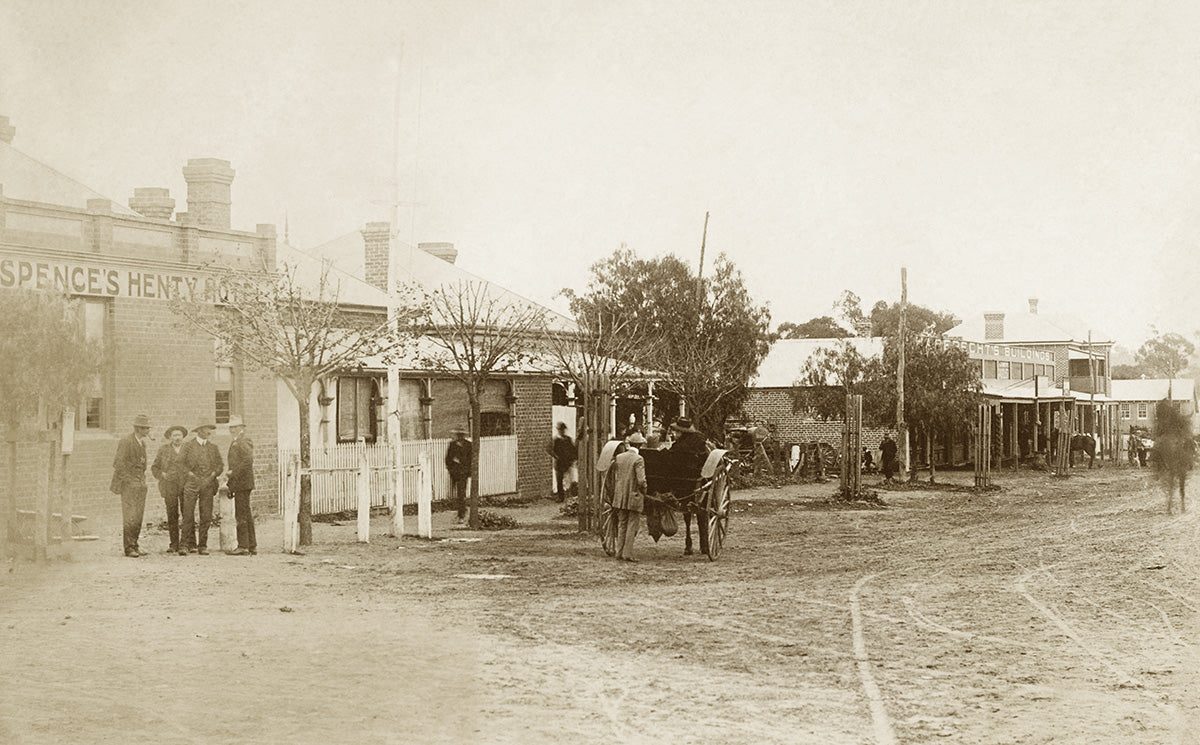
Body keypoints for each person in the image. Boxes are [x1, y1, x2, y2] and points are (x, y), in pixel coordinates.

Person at [111, 414, 152, 557]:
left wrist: (141, 480)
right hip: (129, 485)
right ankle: (129, 547)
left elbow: (142, 465)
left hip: (140, 484)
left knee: (138, 515)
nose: (148, 430)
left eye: (148, 427)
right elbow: (118, 463)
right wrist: (129, 480)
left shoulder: (142, 443)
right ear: (138, 428)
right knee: (129, 516)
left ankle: (135, 544)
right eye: (146, 428)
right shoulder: (126, 442)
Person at [180, 422, 223, 555]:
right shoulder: (188, 446)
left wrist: (213, 475)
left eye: (209, 430)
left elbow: (220, 465)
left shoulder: (213, 447)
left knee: (206, 515)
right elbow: (180, 464)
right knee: (188, 514)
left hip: (208, 484)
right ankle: (184, 545)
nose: (208, 432)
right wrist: (190, 474)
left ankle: (202, 545)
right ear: (198, 431)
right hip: (191, 484)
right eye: (205, 430)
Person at [150, 424, 188, 554]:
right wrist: (163, 475)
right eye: (174, 435)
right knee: (172, 515)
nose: (177, 438)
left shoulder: (188, 449)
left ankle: (187, 544)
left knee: (187, 514)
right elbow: (154, 468)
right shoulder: (163, 450)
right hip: (169, 486)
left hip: (185, 485)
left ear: (183, 437)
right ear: (170, 437)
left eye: (179, 435)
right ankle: (174, 544)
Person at [612, 431, 648, 562]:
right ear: (639, 446)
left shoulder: (620, 457)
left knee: (622, 524)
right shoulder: (638, 459)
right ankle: (628, 553)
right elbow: (641, 480)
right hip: (634, 496)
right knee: (633, 524)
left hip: (620, 495)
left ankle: (619, 552)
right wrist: (645, 490)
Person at [225, 415, 256, 556]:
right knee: (246, 514)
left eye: (235, 427)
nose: (232, 429)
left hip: (243, 483)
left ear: (242, 428)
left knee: (241, 514)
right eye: (231, 427)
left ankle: (243, 545)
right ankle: (251, 545)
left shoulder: (243, 441)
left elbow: (248, 460)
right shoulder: (236, 441)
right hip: (240, 483)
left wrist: (232, 473)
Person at [445, 426, 472, 524]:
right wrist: (451, 469)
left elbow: (471, 460)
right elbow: (448, 459)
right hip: (455, 473)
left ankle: (461, 514)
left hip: (463, 473)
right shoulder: (452, 445)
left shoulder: (469, 445)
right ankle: (461, 511)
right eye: (458, 435)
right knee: (455, 494)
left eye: (462, 435)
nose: (460, 437)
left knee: (461, 493)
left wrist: (467, 469)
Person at [548, 422, 577, 502]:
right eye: (560, 430)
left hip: (567, 463)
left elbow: (573, 450)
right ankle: (561, 497)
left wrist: (573, 459)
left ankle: (570, 496)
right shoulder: (555, 440)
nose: (562, 431)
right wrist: (556, 456)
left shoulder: (568, 439)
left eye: (563, 430)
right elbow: (549, 450)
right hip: (559, 463)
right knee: (559, 481)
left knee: (569, 480)